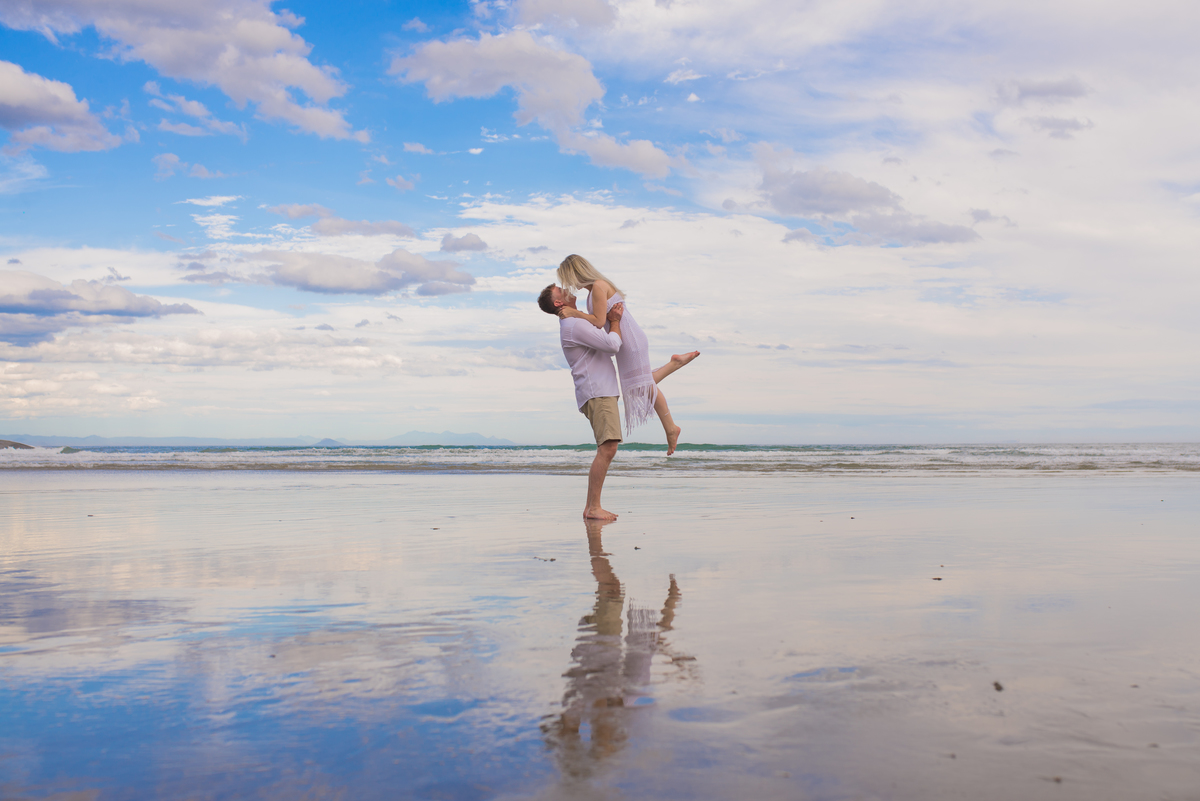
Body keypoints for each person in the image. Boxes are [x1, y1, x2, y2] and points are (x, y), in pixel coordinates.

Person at [555, 254, 698, 455]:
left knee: (642, 386)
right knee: (639, 386)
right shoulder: (593, 291)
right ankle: (673, 372)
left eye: (567, 279)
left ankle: (671, 428)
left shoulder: (598, 286)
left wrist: (573, 313)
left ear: (576, 273)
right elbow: (599, 323)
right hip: (626, 340)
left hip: (631, 341)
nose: (569, 285)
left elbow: (597, 321)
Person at [538, 284, 627, 520]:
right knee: (608, 447)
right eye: (560, 290)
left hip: (598, 389)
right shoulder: (573, 324)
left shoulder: (576, 321)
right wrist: (616, 321)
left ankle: (592, 507)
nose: (566, 288)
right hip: (597, 390)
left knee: (607, 446)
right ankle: (593, 508)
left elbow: (601, 338)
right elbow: (612, 345)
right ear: (558, 303)